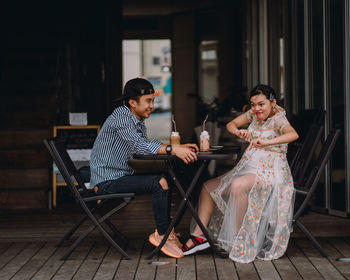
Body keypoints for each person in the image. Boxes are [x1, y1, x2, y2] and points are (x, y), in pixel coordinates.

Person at [182, 84, 299, 263]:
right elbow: (231, 124)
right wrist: (239, 132)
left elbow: (293, 135)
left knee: (238, 185)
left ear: (273, 102)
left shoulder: (278, 119)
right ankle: (199, 235)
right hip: (249, 168)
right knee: (208, 187)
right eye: (253, 105)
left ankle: (240, 239)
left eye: (261, 104)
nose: (256, 109)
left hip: (270, 172)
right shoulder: (254, 114)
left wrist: (267, 142)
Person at [89, 78, 199, 259]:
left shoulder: (135, 118)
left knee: (169, 176)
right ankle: (162, 234)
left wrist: (177, 148)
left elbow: (145, 146)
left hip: (119, 175)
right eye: (148, 101)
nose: (152, 105)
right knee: (160, 182)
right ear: (132, 102)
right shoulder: (122, 118)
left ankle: (168, 231)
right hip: (106, 181)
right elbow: (140, 147)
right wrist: (173, 149)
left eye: (152, 100)